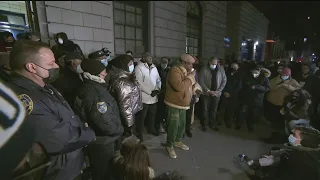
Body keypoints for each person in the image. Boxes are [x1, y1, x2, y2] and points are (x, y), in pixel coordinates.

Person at [7, 40, 96, 179]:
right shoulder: (25, 100)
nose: (56, 66)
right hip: (58, 172)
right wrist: (89, 133)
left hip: (69, 163)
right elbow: (58, 139)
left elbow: (67, 114)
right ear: (31, 67)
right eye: (50, 64)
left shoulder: (42, 84)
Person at [74, 59, 124, 180]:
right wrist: (120, 130)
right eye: (103, 72)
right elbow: (105, 123)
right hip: (103, 143)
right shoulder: (96, 93)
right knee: (104, 174)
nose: (106, 74)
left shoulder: (91, 87)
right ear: (94, 75)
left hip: (97, 140)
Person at [240, 124, 320, 180]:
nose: (290, 136)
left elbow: (282, 177)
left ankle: (260, 170)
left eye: (294, 135)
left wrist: (264, 177)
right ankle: (259, 165)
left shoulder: (294, 158)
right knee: (275, 149)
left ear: (304, 142)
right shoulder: (311, 152)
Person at [164, 54, 196, 159]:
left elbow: (190, 85)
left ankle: (177, 141)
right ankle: (169, 145)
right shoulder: (175, 71)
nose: (192, 66)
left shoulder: (186, 71)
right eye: (190, 64)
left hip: (183, 104)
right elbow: (179, 86)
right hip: (174, 103)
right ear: (183, 63)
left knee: (181, 124)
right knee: (173, 125)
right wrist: (191, 78)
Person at [108, 54, 143, 138]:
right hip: (127, 117)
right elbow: (125, 105)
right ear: (123, 65)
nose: (132, 66)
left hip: (132, 112)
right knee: (128, 140)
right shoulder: (123, 83)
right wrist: (129, 124)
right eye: (130, 64)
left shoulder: (127, 77)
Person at [135, 52, 162, 141]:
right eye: (149, 57)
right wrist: (150, 91)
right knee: (142, 117)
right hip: (144, 97)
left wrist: (157, 89)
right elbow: (138, 82)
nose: (151, 58)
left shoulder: (154, 67)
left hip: (154, 97)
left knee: (152, 115)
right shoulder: (139, 67)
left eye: (151, 57)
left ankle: (151, 129)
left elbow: (158, 79)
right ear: (143, 58)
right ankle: (139, 133)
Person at [236, 65, 270, 132]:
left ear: (259, 72)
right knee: (242, 112)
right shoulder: (247, 76)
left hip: (256, 100)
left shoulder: (264, 78)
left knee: (253, 114)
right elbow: (242, 86)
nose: (254, 74)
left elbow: (267, 88)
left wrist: (257, 87)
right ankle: (239, 124)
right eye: (253, 72)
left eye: (256, 72)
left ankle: (250, 126)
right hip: (246, 98)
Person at [199, 57, 227, 131]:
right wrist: (208, 90)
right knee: (205, 109)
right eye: (213, 63)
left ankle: (212, 124)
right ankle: (205, 125)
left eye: (216, 63)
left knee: (214, 110)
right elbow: (201, 81)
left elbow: (224, 80)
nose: (214, 64)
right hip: (206, 93)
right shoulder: (204, 69)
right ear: (209, 61)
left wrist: (219, 90)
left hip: (217, 93)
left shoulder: (221, 69)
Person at [220, 63, 242, 128]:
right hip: (224, 93)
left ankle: (228, 122)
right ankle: (220, 121)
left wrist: (231, 94)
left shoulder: (239, 76)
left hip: (233, 96)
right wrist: (224, 92)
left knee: (231, 110)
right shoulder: (226, 74)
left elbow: (239, 87)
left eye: (235, 67)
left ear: (238, 68)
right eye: (232, 66)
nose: (233, 68)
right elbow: (222, 83)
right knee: (222, 109)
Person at [156, 57, 171, 133]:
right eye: (163, 62)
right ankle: (159, 125)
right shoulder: (156, 69)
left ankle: (163, 124)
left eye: (166, 62)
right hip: (159, 92)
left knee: (165, 110)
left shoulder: (169, 70)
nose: (164, 64)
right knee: (159, 109)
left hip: (166, 92)